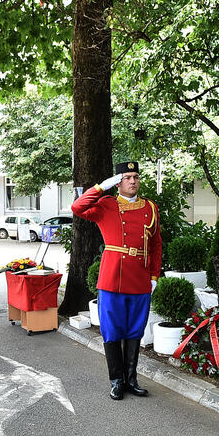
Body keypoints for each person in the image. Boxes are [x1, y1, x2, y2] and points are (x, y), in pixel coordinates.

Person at [71, 160, 162, 400]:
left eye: (136, 177)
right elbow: (78, 207)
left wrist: (154, 275)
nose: (133, 181)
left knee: (135, 330)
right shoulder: (106, 205)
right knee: (112, 330)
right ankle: (116, 381)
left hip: (140, 277)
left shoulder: (150, 208)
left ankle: (131, 379)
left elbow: (155, 244)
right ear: (118, 182)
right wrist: (101, 187)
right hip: (113, 278)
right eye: (127, 177)